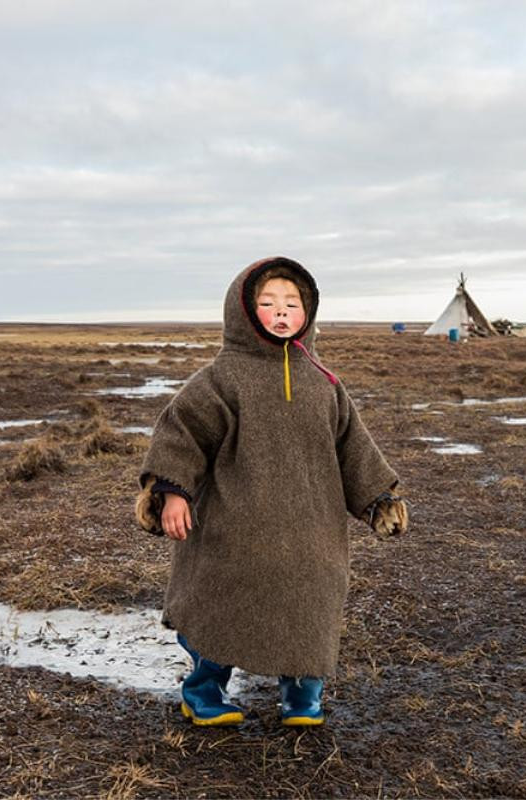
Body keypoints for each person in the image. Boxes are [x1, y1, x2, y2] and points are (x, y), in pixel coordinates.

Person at [134, 256, 408, 727]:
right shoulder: (221, 379)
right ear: (242, 311)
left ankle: (302, 695)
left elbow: (352, 447)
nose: (281, 312)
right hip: (234, 525)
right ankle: (203, 691)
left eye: (292, 303)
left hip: (312, 529)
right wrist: (172, 492)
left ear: (309, 312)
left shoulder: (325, 384)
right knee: (221, 602)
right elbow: (183, 434)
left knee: (310, 603)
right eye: (267, 303)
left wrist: (378, 497)